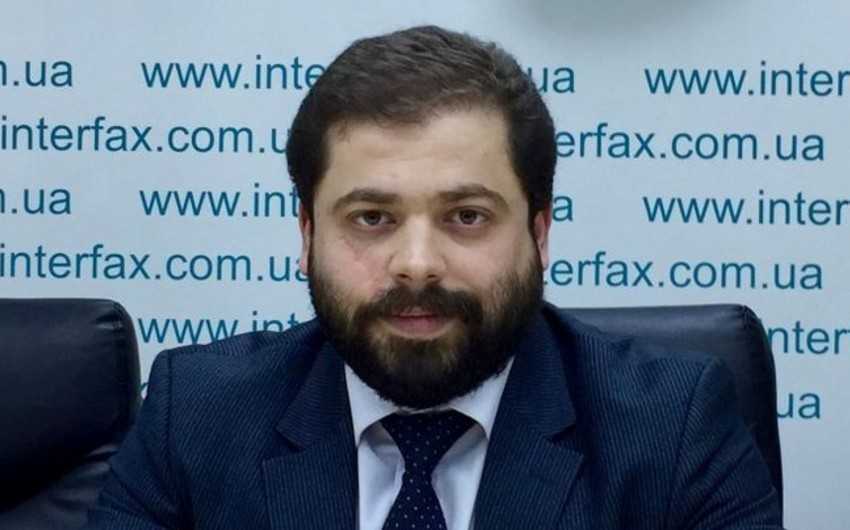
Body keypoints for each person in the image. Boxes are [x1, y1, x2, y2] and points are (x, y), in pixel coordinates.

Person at [84, 25, 782, 529]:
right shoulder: (196, 415)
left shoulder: (672, 429)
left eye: (467, 216)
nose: (417, 263)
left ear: (539, 234)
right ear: (307, 235)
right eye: (372, 218)